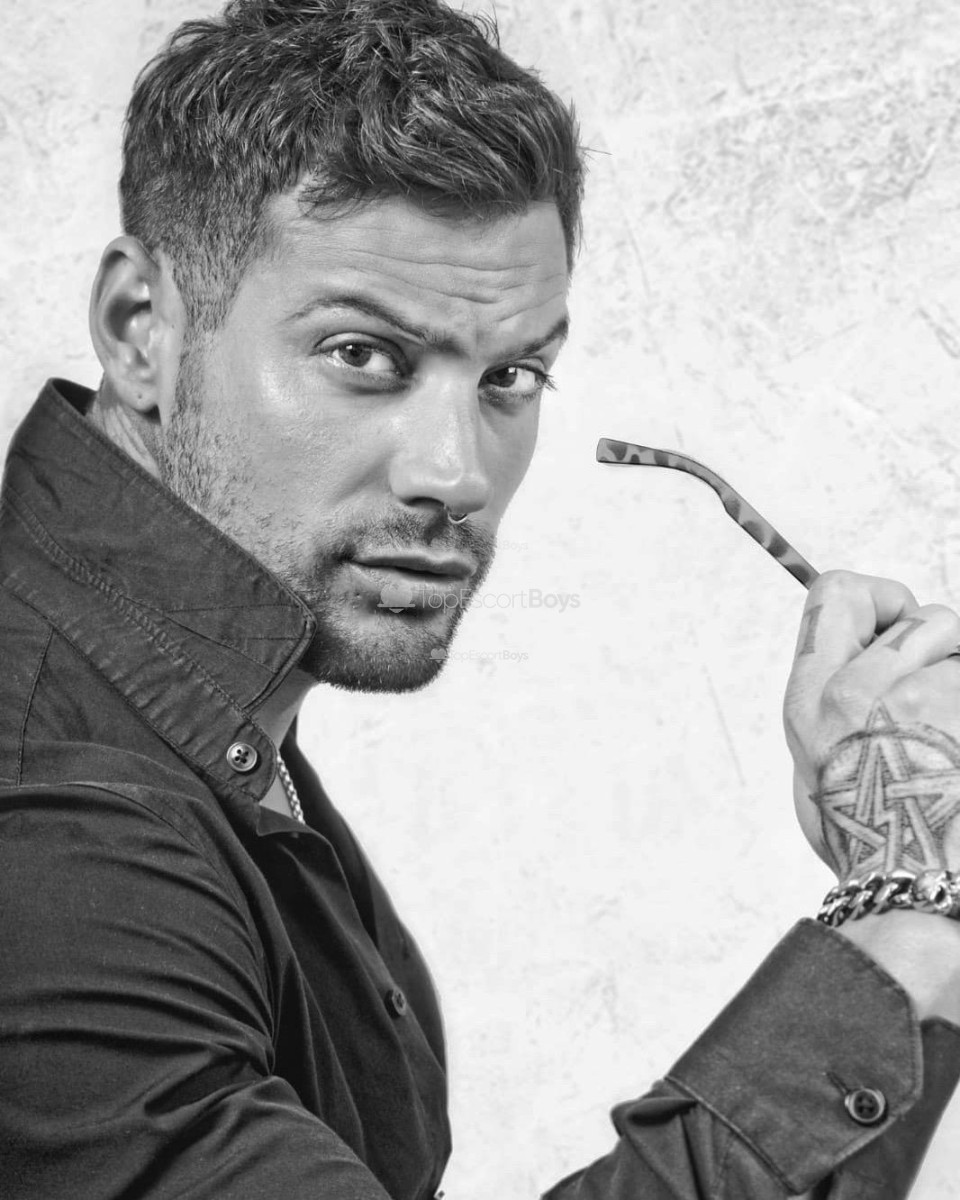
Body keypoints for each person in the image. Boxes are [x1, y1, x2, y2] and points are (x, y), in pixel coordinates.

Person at [1, 1, 959, 1196]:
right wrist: (906, 914)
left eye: (510, 374)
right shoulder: (55, 812)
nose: (456, 474)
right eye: (362, 355)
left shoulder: (177, 707)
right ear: (140, 329)